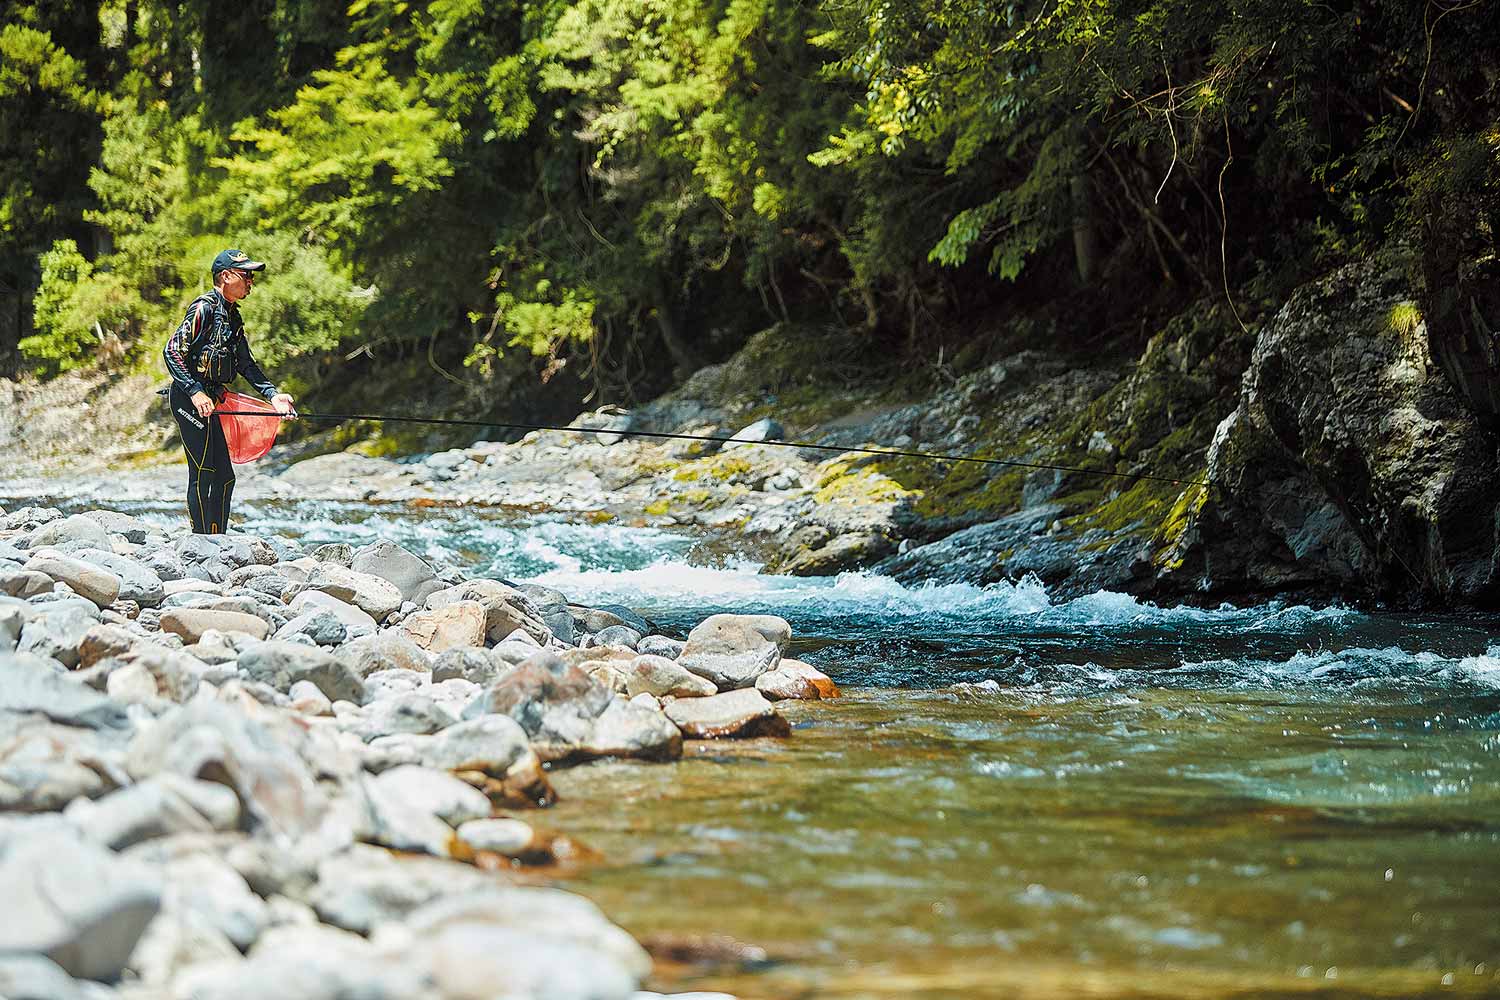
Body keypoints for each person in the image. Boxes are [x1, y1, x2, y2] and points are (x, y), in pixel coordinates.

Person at [162, 248, 296, 534]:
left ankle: (216, 538)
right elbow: (172, 351)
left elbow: (246, 364)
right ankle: (201, 541)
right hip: (188, 399)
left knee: (224, 477)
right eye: (246, 275)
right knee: (204, 472)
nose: (251, 282)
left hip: (213, 400)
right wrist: (196, 391)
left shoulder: (233, 317)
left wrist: (274, 396)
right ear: (226, 276)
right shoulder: (204, 309)